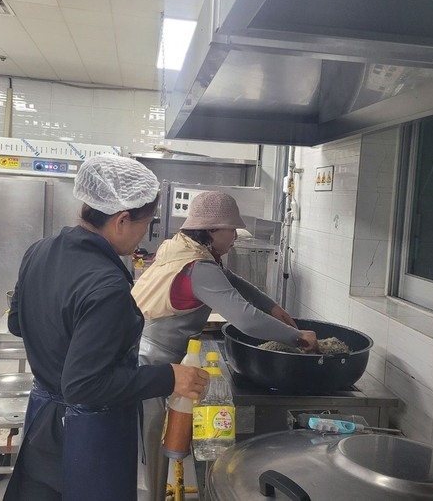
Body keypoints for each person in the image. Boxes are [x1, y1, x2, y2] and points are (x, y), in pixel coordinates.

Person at [3, 155, 208, 501]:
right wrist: (169, 377)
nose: (144, 235)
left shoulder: (38, 251)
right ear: (121, 220)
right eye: (145, 224)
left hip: (43, 420)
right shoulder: (107, 285)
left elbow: (16, 323)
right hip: (89, 435)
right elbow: (83, 385)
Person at [131, 191, 318, 501]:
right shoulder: (198, 267)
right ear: (211, 230)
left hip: (145, 352)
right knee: (150, 448)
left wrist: (273, 308)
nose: (234, 237)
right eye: (231, 229)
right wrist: (297, 337)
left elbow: (235, 282)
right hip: (151, 360)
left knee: (152, 444)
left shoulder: (183, 247)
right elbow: (247, 321)